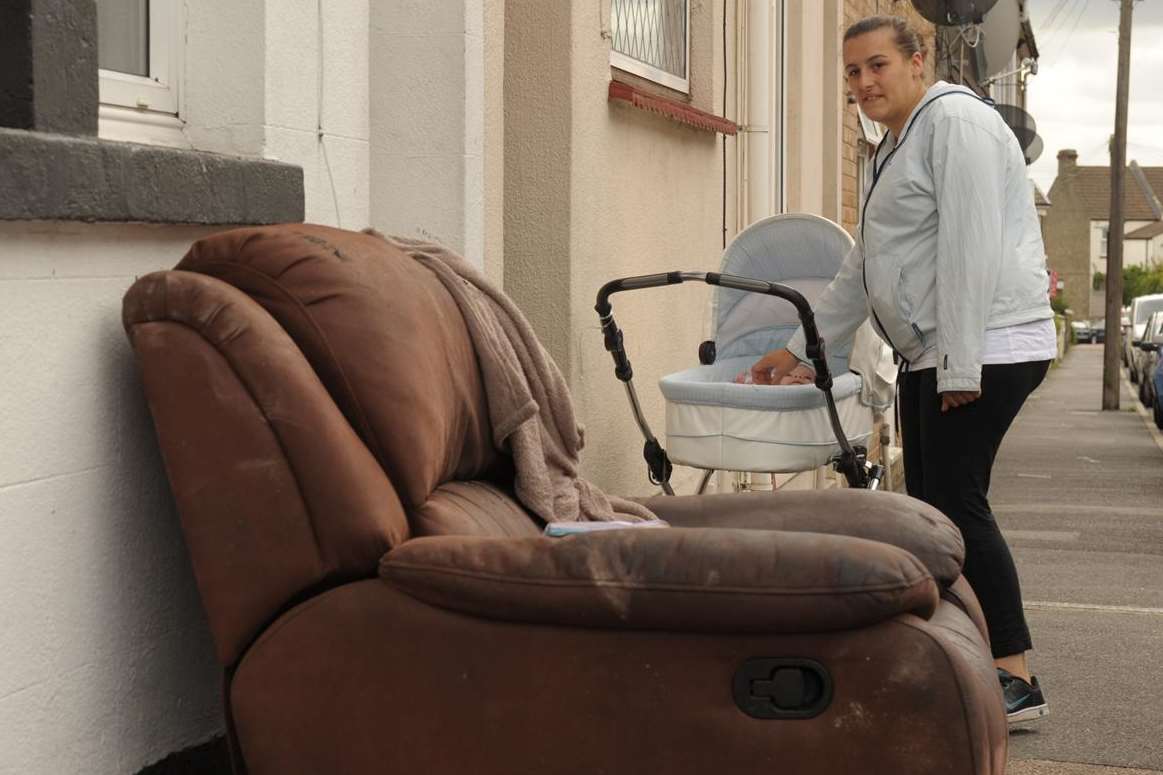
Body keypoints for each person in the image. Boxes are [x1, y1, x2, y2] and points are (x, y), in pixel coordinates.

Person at [749, 15, 1054, 724]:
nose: (862, 83)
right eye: (851, 72)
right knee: (934, 502)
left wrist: (957, 365)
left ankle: (1013, 674)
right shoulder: (895, 144)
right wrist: (801, 348)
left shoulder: (956, 124)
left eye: (877, 65)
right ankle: (970, 657)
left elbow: (972, 246)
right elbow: (862, 265)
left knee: (956, 503)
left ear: (918, 61)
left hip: (984, 345)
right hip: (941, 350)